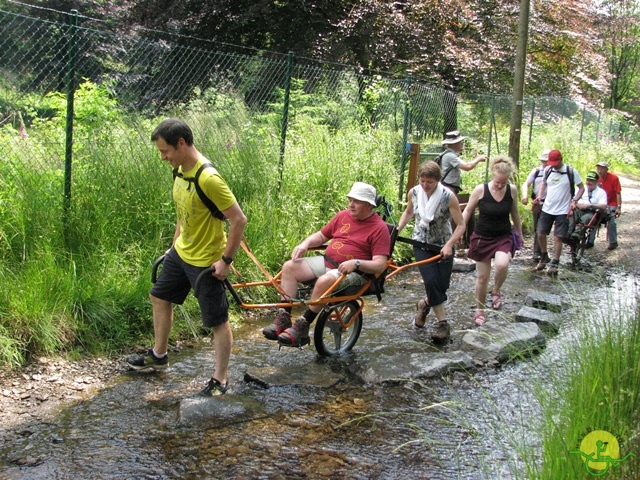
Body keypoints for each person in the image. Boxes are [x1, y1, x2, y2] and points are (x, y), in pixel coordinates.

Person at [127, 118, 247, 397]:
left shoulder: (209, 178)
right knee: (159, 296)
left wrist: (225, 261)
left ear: (181, 143)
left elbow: (239, 220)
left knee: (217, 321)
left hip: (206, 262)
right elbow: (183, 213)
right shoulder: (179, 171)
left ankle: (220, 379)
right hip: (181, 254)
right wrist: (173, 246)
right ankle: (159, 355)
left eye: (165, 151)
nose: (163, 157)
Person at [262, 182, 391, 347]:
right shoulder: (342, 216)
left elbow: (380, 265)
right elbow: (321, 236)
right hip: (327, 262)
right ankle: (283, 319)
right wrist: (305, 244)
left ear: (369, 205)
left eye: (356, 201)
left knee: (324, 280)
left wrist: (356, 263)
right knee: (289, 267)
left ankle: (302, 326)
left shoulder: (379, 229)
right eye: (350, 199)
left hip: (355, 273)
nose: (351, 204)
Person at [397, 161, 466, 341]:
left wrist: (449, 244)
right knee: (431, 281)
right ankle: (442, 324)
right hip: (420, 243)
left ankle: (424, 304)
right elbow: (408, 212)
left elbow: (461, 225)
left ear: (438, 181)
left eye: (430, 182)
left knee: (442, 286)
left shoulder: (448, 197)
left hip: (443, 244)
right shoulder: (413, 192)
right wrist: (397, 229)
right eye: (422, 181)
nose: (425, 185)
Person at [462, 155, 522, 326]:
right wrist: (461, 230)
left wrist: (520, 233)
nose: (500, 186)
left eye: (504, 183)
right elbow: (467, 211)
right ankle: (480, 310)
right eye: (498, 183)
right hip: (482, 237)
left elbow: (515, 213)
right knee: (482, 277)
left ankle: (496, 291)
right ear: (492, 175)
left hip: (503, 236)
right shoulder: (480, 190)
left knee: (502, 265)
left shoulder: (512, 190)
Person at [535, 149, 584, 275]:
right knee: (540, 233)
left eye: (555, 162)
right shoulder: (548, 170)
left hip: (563, 210)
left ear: (561, 159)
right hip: (547, 208)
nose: (554, 165)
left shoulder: (571, 172)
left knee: (558, 237)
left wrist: (574, 201)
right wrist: (540, 196)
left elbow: (581, 188)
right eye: (551, 162)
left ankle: (555, 263)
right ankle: (544, 256)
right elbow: (543, 184)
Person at [521, 149, 550, 262]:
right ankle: (538, 253)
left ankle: (541, 252)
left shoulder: (555, 172)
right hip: (538, 203)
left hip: (551, 204)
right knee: (538, 228)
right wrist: (524, 196)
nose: (545, 163)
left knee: (543, 229)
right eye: (544, 161)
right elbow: (526, 184)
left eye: (547, 161)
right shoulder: (537, 171)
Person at [569, 170, 608, 248]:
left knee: (586, 219)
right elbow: (573, 199)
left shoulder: (601, 192)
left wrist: (590, 205)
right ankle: (567, 234)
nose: (589, 182)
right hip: (579, 209)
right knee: (571, 215)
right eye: (588, 180)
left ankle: (576, 235)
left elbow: (604, 206)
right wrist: (579, 204)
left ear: (597, 181)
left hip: (592, 212)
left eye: (591, 180)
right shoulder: (580, 189)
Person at [596, 160, 622, 250]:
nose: (600, 171)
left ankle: (613, 242)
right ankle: (589, 241)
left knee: (611, 220)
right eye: (598, 168)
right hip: (600, 202)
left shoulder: (614, 178)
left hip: (611, 202)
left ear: (606, 169)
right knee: (593, 218)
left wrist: (619, 207)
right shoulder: (596, 178)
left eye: (602, 169)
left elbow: (618, 193)